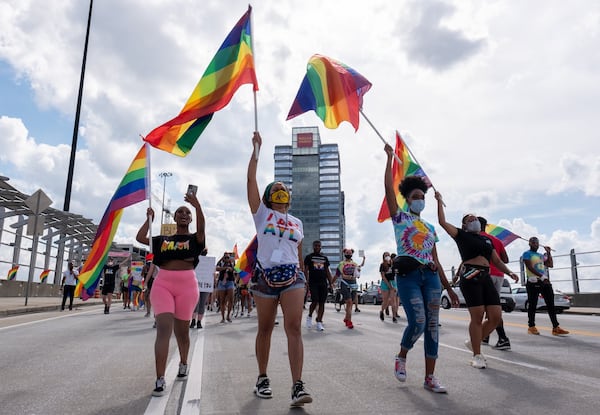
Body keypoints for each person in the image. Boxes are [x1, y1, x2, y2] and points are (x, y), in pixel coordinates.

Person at [384, 144, 459, 393]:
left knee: (432, 325)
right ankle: (402, 356)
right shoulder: (400, 218)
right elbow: (388, 191)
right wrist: (387, 160)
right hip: (409, 276)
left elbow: (436, 261)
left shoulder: (430, 228)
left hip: (430, 277)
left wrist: (451, 289)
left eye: (422, 197)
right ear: (407, 199)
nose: (420, 200)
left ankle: (430, 377)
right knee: (417, 321)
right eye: (415, 197)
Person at [247, 131, 312, 408]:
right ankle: (262, 377)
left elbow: (298, 252)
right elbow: (250, 180)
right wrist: (256, 151)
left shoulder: (296, 222)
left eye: (284, 189)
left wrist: (303, 277)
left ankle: (297, 386)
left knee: (294, 327)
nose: (281, 191)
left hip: (292, 277)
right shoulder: (261, 213)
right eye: (276, 188)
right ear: (269, 196)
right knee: (265, 328)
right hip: (265, 277)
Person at [435, 193, 519, 370]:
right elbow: (442, 223)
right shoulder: (461, 235)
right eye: (470, 219)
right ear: (464, 225)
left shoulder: (486, 240)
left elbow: (496, 261)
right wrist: (439, 202)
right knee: (478, 316)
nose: (474, 220)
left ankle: (474, 341)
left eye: (475, 218)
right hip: (470, 276)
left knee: (496, 317)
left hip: (486, 276)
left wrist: (509, 272)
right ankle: (477, 355)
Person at [136, 191, 206, 397]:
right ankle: (159, 378)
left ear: (190, 218)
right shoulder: (162, 240)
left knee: (182, 333)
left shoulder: (196, 239)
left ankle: (184, 362)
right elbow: (141, 238)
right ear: (174, 218)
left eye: (187, 212)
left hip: (187, 286)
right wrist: (149, 219)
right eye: (180, 212)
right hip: (163, 284)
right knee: (163, 331)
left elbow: (202, 226)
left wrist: (197, 206)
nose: (184, 214)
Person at [477, 217, 518, 350]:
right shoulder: (497, 240)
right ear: (486, 226)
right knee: (491, 306)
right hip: (499, 275)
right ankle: (486, 335)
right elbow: (505, 259)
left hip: (485, 273)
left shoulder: (476, 238)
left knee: (487, 308)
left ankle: (503, 338)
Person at [522, 237, 569, 336]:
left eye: (537, 243)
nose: (536, 244)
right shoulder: (527, 254)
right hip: (533, 281)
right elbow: (529, 267)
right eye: (534, 243)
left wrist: (548, 253)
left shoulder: (540, 255)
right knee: (533, 304)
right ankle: (531, 326)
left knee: (551, 304)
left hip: (544, 281)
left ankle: (555, 327)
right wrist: (541, 276)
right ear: (530, 244)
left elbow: (550, 264)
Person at [304, 240, 334, 331]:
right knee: (315, 300)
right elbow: (306, 270)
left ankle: (319, 322)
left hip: (323, 282)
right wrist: (306, 282)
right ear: (313, 247)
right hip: (313, 282)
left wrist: (331, 283)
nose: (317, 247)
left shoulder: (324, 258)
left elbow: (327, 271)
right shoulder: (309, 257)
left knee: (322, 302)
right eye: (316, 246)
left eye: (319, 246)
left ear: (321, 247)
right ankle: (309, 316)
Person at [335, 248, 362, 329]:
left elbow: (358, 273)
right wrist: (331, 282)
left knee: (350, 303)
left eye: (350, 253)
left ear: (352, 254)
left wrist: (358, 271)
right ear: (344, 253)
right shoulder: (341, 264)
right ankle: (349, 321)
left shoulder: (355, 264)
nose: (348, 254)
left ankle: (346, 318)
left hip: (353, 284)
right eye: (347, 252)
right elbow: (337, 275)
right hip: (344, 283)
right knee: (349, 301)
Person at [190, 247, 210, 329]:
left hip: (205, 285)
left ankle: (198, 321)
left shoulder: (209, 262)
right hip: (196, 284)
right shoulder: (194, 260)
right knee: (197, 303)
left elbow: (212, 271)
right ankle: (194, 320)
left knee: (201, 303)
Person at [215, 252, 236, 323]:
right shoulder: (221, 262)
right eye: (225, 257)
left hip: (230, 282)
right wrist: (225, 267)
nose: (227, 258)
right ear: (223, 257)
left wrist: (231, 269)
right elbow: (217, 268)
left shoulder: (232, 262)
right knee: (222, 300)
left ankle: (228, 316)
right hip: (222, 282)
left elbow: (237, 270)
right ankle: (223, 317)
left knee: (231, 299)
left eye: (228, 257)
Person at [379, 251, 399, 323]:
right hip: (385, 283)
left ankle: (394, 317)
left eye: (388, 255)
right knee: (386, 300)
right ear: (383, 257)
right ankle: (382, 311)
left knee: (393, 300)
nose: (387, 256)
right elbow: (383, 277)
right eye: (385, 255)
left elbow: (397, 274)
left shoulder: (393, 264)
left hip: (393, 281)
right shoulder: (382, 265)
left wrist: (394, 286)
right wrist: (389, 286)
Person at [143, 254, 158, 318]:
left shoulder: (146, 266)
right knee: (151, 299)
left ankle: (150, 312)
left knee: (148, 298)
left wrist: (145, 283)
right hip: (153, 282)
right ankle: (153, 314)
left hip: (152, 283)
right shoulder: (147, 266)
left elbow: (145, 274)